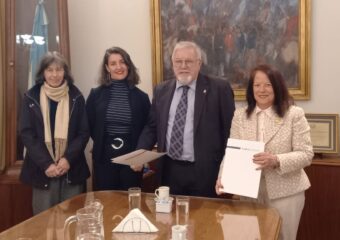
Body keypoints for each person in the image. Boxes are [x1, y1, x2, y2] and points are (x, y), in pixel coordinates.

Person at [215, 64, 313, 240]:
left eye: (268, 84)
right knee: (247, 236)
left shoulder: (294, 114)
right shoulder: (240, 115)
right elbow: (232, 152)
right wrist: (223, 177)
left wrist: (276, 160)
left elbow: (306, 154)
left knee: (282, 237)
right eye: (257, 85)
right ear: (251, 89)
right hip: (248, 193)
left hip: (286, 193)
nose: (262, 90)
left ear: (277, 86)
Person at [137, 41, 235, 197]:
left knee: (204, 219)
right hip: (169, 170)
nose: (183, 66)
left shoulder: (219, 89)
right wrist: (140, 153)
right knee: (170, 219)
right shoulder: (161, 90)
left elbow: (230, 131)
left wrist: (227, 169)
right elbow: (152, 126)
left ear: (199, 63)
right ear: (173, 64)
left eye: (188, 61)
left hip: (205, 171)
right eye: (178, 61)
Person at [20, 51, 90, 215]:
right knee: (44, 221)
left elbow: (83, 132)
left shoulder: (76, 96)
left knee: (72, 219)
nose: (54, 75)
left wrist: (67, 159)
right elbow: (27, 133)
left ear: (65, 72)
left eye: (59, 70)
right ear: (43, 72)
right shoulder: (31, 97)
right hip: (43, 170)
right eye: (50, 70)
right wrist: (47, 164)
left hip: (71, 169)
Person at [86, 47, 150, 191]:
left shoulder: (142, 97)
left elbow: (149, 128)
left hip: (133, 158)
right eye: (113, 63)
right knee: (106, 201)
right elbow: (89, 125)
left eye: (122, 62)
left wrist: (141, 156)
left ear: (128, 65)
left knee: (130, 202)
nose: (119, 67)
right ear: (107, 68)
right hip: (104, 156)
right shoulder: (95, 95)